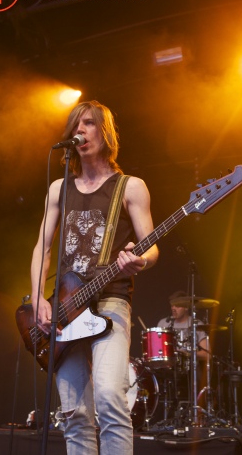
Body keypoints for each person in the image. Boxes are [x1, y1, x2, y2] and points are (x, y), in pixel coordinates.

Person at [30, 100, 159, 455]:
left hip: (110, 299)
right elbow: (43, 246)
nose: (80, 131)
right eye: (75, 126)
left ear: (105, 132)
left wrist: (140, 262)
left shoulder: (130, 186)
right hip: (66, 308)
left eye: (88, 124)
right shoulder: (59, 188)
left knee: (108, 397)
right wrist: (39, 297)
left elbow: (152, 246)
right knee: (73, 414)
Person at [157, 290, 210, 361]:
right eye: (172, 305)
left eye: (177, 306)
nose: (173, 308)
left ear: (186, 307)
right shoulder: (163, 323)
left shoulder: (196, 324)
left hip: (189, 368)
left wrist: (188, 354)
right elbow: (156, 350)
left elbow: (207, 354)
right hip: (166, 367)